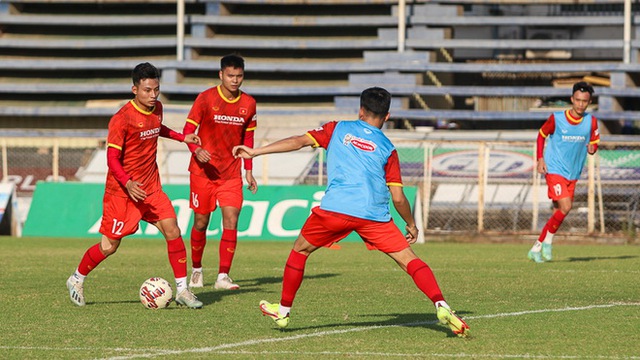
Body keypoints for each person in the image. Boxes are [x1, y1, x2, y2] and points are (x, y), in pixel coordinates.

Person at [233, 87, 470, 337]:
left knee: (300, 250)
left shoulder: (337, 129)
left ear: (360, 110)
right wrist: (411, 224)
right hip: (374, 215)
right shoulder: (388, 148)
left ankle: (283, 310)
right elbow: (398, 197)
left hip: (337, 208)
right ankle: (441, 305)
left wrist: (256, 151)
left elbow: (299, 141)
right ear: (387, 116)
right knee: (409, 260)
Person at [66, 62, 204, 309]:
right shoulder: (121, 119)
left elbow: (156, 128)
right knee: (109, 246)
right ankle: (76, 278)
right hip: (122, 192)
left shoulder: (157, 108)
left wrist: (182, 137)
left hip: (150, 187)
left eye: (156, 90)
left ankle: (183, 290)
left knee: (172, 230)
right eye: (147, 90)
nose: (153, 95)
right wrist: (128, 182)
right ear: (134, 89)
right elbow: (112, 159)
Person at [182, 54, 258, 290]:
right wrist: (196, 150)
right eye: (230, 75)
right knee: (202, 222)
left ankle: (223, 276)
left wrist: (248, 170)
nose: (235, 80)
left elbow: (248, 137)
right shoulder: (206, 98)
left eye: (239, 76)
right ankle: (196, 270)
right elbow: (187, 129)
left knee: (231, 221)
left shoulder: (249, 103)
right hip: (202, 172)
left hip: (230, 174)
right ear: (221, 75)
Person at [528, 81, 600, 263]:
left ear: (589, 102)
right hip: (554, 168)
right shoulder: (557, 118)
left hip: (573, 172)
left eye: (584, 101)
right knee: (566, 206)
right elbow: (541, 135)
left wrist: (593, 148)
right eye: (577, 100)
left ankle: (536, 247)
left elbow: (594, 142)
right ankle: (548, 242)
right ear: (572, 99)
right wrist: (540, 159)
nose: (581, 104)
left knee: (559, 211)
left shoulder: (591, 121)